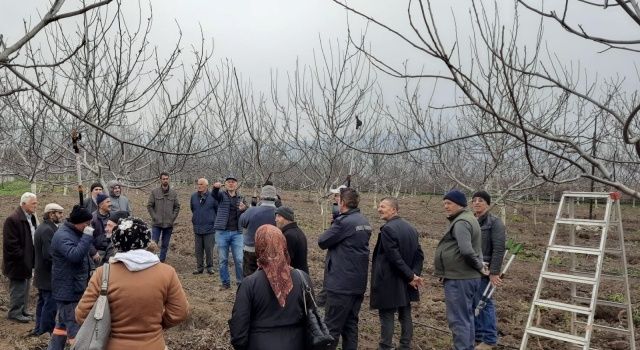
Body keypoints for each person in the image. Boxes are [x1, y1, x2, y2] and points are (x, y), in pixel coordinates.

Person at [76, 216, 190, 349]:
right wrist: (157, 326)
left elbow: (81, 314)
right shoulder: (167, 272)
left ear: (116, 241)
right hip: (153, 344)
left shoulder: (103, 273)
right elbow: (180, 312)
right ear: (146, 239)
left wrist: (104, 327)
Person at [229, 224, 310, 350]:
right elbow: (311, 319)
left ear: (259, 246)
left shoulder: (249, 284)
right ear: (283, 244)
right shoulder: (302, 279)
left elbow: (239, 330)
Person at [318, 187, 371, 350]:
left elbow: (322, 241)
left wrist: (335, 223)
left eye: (338, 200)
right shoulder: (364, 221)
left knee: (331, 328)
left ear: (343, 203)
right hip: (357, 284)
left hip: (340, 285)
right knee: (350, 326)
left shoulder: (344, 222)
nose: (336, 202)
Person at [434, 190, 487, 350]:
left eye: (449, 203)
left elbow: (466, 250)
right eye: (444, 203)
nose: (446, 206)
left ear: (460, 204)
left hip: (460, 279)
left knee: (458, 320)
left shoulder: (461, 222)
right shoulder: (469, 218)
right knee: (466, 317)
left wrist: (479, 266)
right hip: (465, 278)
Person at [370, 197, 425, 350]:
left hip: (389, 280)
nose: (379, 209)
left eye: (383, 206)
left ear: (394, 209)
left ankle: (385, 346)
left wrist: (411, 276)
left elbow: (394, 257)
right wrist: (413, 275)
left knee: (387, 315)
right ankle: (405, 346)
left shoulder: (388, 229)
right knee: (405, 313)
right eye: (379, 206)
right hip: (406, 281)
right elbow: (419, 255)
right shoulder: (411, 228)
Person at [48, 205, 94, 349]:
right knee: (76, 333)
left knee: (61, 328)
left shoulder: (74, 233)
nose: (89, 226)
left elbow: (84, 254)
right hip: (68, 293)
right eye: (87, 224)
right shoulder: (63, 236)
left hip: (73, 288)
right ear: (79, 223)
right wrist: (86, 236)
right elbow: (74, 256)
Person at [471, 191, 506, 350]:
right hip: (471, 268)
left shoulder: (494, 223)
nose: (477, 203)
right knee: (473, 303)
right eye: (474, 200)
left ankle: (490, 339)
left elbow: (499, 249)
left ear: (488, 204)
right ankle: (477, 336)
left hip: (485, 269)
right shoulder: (471, 220)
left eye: (481, 200)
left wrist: (494, 272)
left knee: (485, 303)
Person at [2, 192, 38, 323]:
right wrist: (22, 257)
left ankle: (23, 310)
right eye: (33, 203)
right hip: (17, 262)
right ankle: (15, 312)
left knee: (25, 287)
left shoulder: (31, 217)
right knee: (18, 287)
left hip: (27, 259)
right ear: (23, 204)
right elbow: (11, 244)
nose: (36, 205)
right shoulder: (13, 219)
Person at [31, 203, 64, 336]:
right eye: (59, 213)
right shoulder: (47, 230)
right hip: (48, 275)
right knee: (50, 305)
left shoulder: (44, 227)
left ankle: (38, 329)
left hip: (42, 274)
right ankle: (46, 331)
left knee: (42, 303)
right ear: (51, 214)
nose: (62, 216)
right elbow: (49, 255)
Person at [211, 175, 247, 289]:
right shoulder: (221, 195)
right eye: (229, 182)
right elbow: (214, 195)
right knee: (223, 260)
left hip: (237, 233)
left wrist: (244, 209)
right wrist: (215, 188)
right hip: (222, 232)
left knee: (239, 259)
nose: (231, 184)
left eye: (233, 182)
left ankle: (241, 283)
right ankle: (225, 283)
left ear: (236, 185)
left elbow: (246, 214)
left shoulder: (241, 198)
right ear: (225, 185)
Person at [239, 185, 277, 276]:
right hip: (271, 252)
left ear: (261, 197)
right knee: (267, 277)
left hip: (251, 250)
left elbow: (242, 223)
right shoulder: (279, 213)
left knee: (248, 278)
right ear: (275, 198)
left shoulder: (252, 211)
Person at [147, 172, 181, 263]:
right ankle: (151, 261)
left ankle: (161, 261)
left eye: (167, 178)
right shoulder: (155, 192)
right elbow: (149, 205)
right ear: (160, 180)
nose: (165, 180)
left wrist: (172, 218)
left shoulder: (173, 193)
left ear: (169, 179)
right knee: (153, 243)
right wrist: (154, 217)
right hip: (156, 224)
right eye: (163, 179)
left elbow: (177, 206)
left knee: (165, 244)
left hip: (168, 224)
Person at [190, 177, 217, 274]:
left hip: (209, 228)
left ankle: (210, 267)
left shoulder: (213, 197)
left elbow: (217, 211)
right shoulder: (193, 196)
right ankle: (199, 267)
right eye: (198, 184)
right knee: (198, 250)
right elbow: (193, 209)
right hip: (197, 227)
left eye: (201, 184)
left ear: (206, 186)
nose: (199, 186)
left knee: (209, 249)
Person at [274, 206, 308, 273]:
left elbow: (284, 261)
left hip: (293, 278)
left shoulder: (288, 236)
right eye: (276, 216)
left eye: (279, 216)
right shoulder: (297, 231)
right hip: (300, 275)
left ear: (287, 218)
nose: (276, 219)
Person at [89, 193, 112, 265]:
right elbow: (87, 237)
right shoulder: (92, 218)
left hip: (111, 251)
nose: (110, 204)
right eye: (108, 202)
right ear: (101, 205)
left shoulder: (113, 217)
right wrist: (93, 252)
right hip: (98, 253)